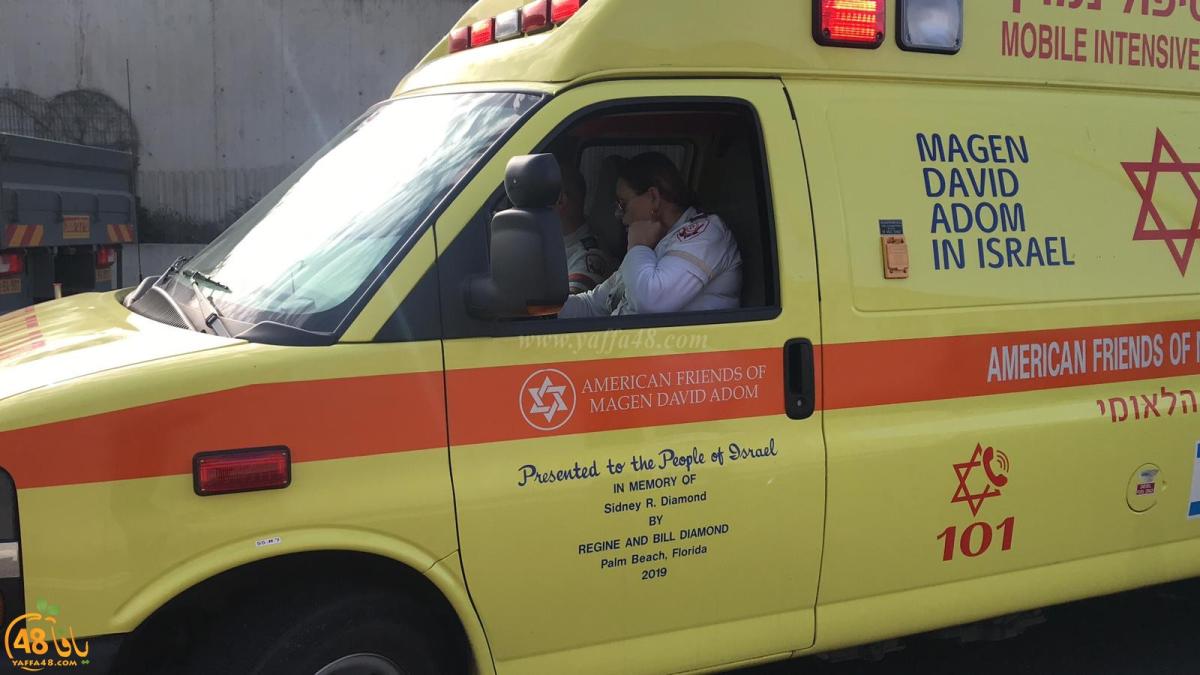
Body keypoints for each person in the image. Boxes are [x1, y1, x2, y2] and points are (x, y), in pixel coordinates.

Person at [558, 152, 741, 317]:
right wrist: (547, 312)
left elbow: (651, 303)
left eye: (622, 203)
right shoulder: (653, 243)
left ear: (653, 197)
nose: (618, 213)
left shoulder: (705, 235)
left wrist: (638, 247)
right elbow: (592, 305)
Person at [557, 165, 616, 294]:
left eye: (537, 198)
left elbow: (570, 299)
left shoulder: (590, 255)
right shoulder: (550, 240)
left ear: (560, 201)